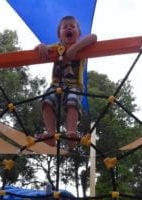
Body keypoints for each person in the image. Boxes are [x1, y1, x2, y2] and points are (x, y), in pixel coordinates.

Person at [35, 16, 97, 149]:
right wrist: (41, 46)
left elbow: (93, 37)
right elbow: (39, 49)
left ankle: (71, 133)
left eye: (72, 26)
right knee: (46, 101)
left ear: (78, 34)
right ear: (59, 35)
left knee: (72, 101)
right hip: (56, 85)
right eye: (65, 27)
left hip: (74, 85)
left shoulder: (82, 48)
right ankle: (51, 135)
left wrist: (75, 48)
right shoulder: (57, 47)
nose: (69, 28)